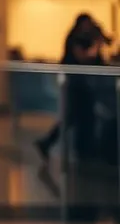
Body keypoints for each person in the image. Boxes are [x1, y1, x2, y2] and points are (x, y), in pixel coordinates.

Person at [35, 13, 111, 163]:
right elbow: (83, 57)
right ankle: (50, 143)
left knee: (82, 116)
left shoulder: (87, 37)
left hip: (86, 83)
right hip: (75, 83)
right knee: (73, 116)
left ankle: (82, 149)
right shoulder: (75, 39)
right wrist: (96, 45)